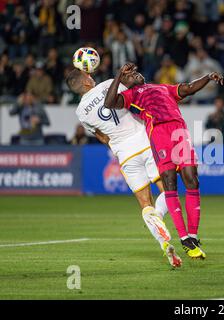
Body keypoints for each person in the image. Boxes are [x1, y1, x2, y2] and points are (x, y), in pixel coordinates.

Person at [104, 63, 224, 260]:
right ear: (125, 83)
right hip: (159, 133)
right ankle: (184, 238)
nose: (135, 73)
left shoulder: (162, 87)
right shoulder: (130, 95)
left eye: (135, 71)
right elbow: (109, 103)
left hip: (179, 130)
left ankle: (192, 236)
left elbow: (188, 88)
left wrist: (208, 77)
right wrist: (118, 75)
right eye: (130, 75)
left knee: (192, 180)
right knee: (170, 183)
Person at [65, 68, 181, 268]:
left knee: (145, 203)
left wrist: (116, 146)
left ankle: (164, 243)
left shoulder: (81, 112)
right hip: (145, 140)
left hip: (124, 152)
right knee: (168, 190)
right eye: (88, 76)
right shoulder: (107, 84)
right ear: (85, 83)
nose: (91, 77)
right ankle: (159, 216)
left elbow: (102, 137)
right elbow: (135, 87)